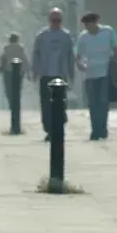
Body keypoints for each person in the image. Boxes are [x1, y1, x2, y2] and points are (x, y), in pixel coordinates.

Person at [74, 11, 117, 140]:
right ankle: (95, 130)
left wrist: (115, 62)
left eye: (89, 24)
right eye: (86, 25)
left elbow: (116, 48)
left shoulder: (108, 32)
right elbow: (78, 55)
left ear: (96, 22)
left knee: (103, 102)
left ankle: (102, 129)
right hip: (90, 73)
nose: (88, 27)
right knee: (93, 103)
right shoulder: (83, 37)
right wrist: (79, 64)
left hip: (105, 72)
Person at [32, 8, 74, 141]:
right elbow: (36, 53)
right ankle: (49, 129)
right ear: (49, 20)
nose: (56, 23)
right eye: (54, 20)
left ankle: (60, 126)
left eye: (58, 20)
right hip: (46, 75)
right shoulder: (42, 35)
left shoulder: (66, 36)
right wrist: (35, 71)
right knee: (46, 103)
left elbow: (70, 55)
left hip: (60, 75)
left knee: (61, 103)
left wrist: (71, 73)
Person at [0, 32, 28, 109]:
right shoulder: (21, 48)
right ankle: (16, 102)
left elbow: (3, 58)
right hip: (19, 71)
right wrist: (26, 70)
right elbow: (24, 59)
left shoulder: (6, 48)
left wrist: (0, 68)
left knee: (8, 88)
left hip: (8, 71)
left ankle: (11, 103)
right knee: (17, 88)